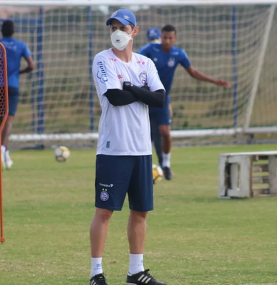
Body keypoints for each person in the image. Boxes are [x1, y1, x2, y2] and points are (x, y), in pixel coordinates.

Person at [89, 9, 167, 285]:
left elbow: (159, 99)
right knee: (105, 211)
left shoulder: (145, 63)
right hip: (113, 148)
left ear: (135, 31)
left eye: (123, 27)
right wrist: (138, 92)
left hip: (142, 150)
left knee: (141, 211)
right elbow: (114, 97)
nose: (117, 32)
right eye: (113, 27)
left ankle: (136, 271)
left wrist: (132, 88)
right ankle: (96, 273)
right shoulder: (103, 59)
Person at [138, 24, 230, 180]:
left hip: (162, 99)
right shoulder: (149, 50)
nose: (166, 41)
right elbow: (133, 61)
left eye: (170, 38)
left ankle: (166, 164)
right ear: (161, 37)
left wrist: (214, 81)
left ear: (175, 38)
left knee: (166, 133)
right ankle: (141, 169)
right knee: (142, 136)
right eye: (164, 37)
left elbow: (193, 72)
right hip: (145, 98)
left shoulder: (178, 54)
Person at [0, 20, 35, 169]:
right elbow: (31, 65)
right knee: (9, 119)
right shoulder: (21, 45)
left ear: (1, 31)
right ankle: (3, 149)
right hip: (12, 85)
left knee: (0, 119)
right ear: (14, 31)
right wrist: (19, 72)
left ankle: (2, 150)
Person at [138, 27, 164, 167]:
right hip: (157, 96)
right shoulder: (165, 51)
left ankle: (154, 164)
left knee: (147, 133)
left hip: (146, 95)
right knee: (158, 133)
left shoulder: (143, 51)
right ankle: (162, 163)